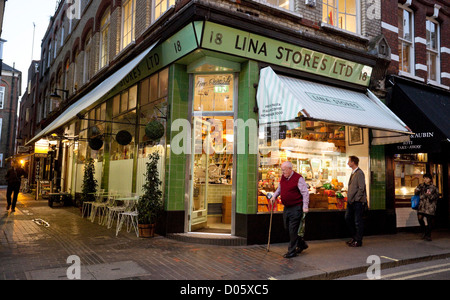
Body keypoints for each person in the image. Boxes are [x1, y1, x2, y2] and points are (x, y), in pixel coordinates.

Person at [270, 161, 309, 258]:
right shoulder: (283, 177)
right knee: (287, 227)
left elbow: (305, 193)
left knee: (292, 229)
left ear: (290, 169)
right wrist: (274, 196)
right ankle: (302, 244)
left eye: (284, 170)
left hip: (296, 207)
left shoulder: (298, 178)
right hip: (287, 207)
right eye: (282, 170)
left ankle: (292, 251)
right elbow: (280, 188)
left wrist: (305, 206)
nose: (282, 172)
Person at [345, 155, 367, 247]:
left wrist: (356, 199)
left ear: (353, 162)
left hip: (357, 202)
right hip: (351, 202)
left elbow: (361, 188)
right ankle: (354, 237)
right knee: (348, 218)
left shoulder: (359, 173)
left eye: (349, 161)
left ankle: (358, 240)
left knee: (357, 221)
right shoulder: (353, 173)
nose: (348, 163)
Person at [415, 173, 439, 241]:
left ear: (430, 179)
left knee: (429, 221)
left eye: (427, 178)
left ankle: (428, 235)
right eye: (424, 178)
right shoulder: (420, 186)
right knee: (420, 218)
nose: (425, 179)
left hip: (430, 206)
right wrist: (416, 191)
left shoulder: (434, 187)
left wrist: (429, 195)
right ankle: (424, 231)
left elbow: (436, 196)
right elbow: (416, 194)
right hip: (422, 205)